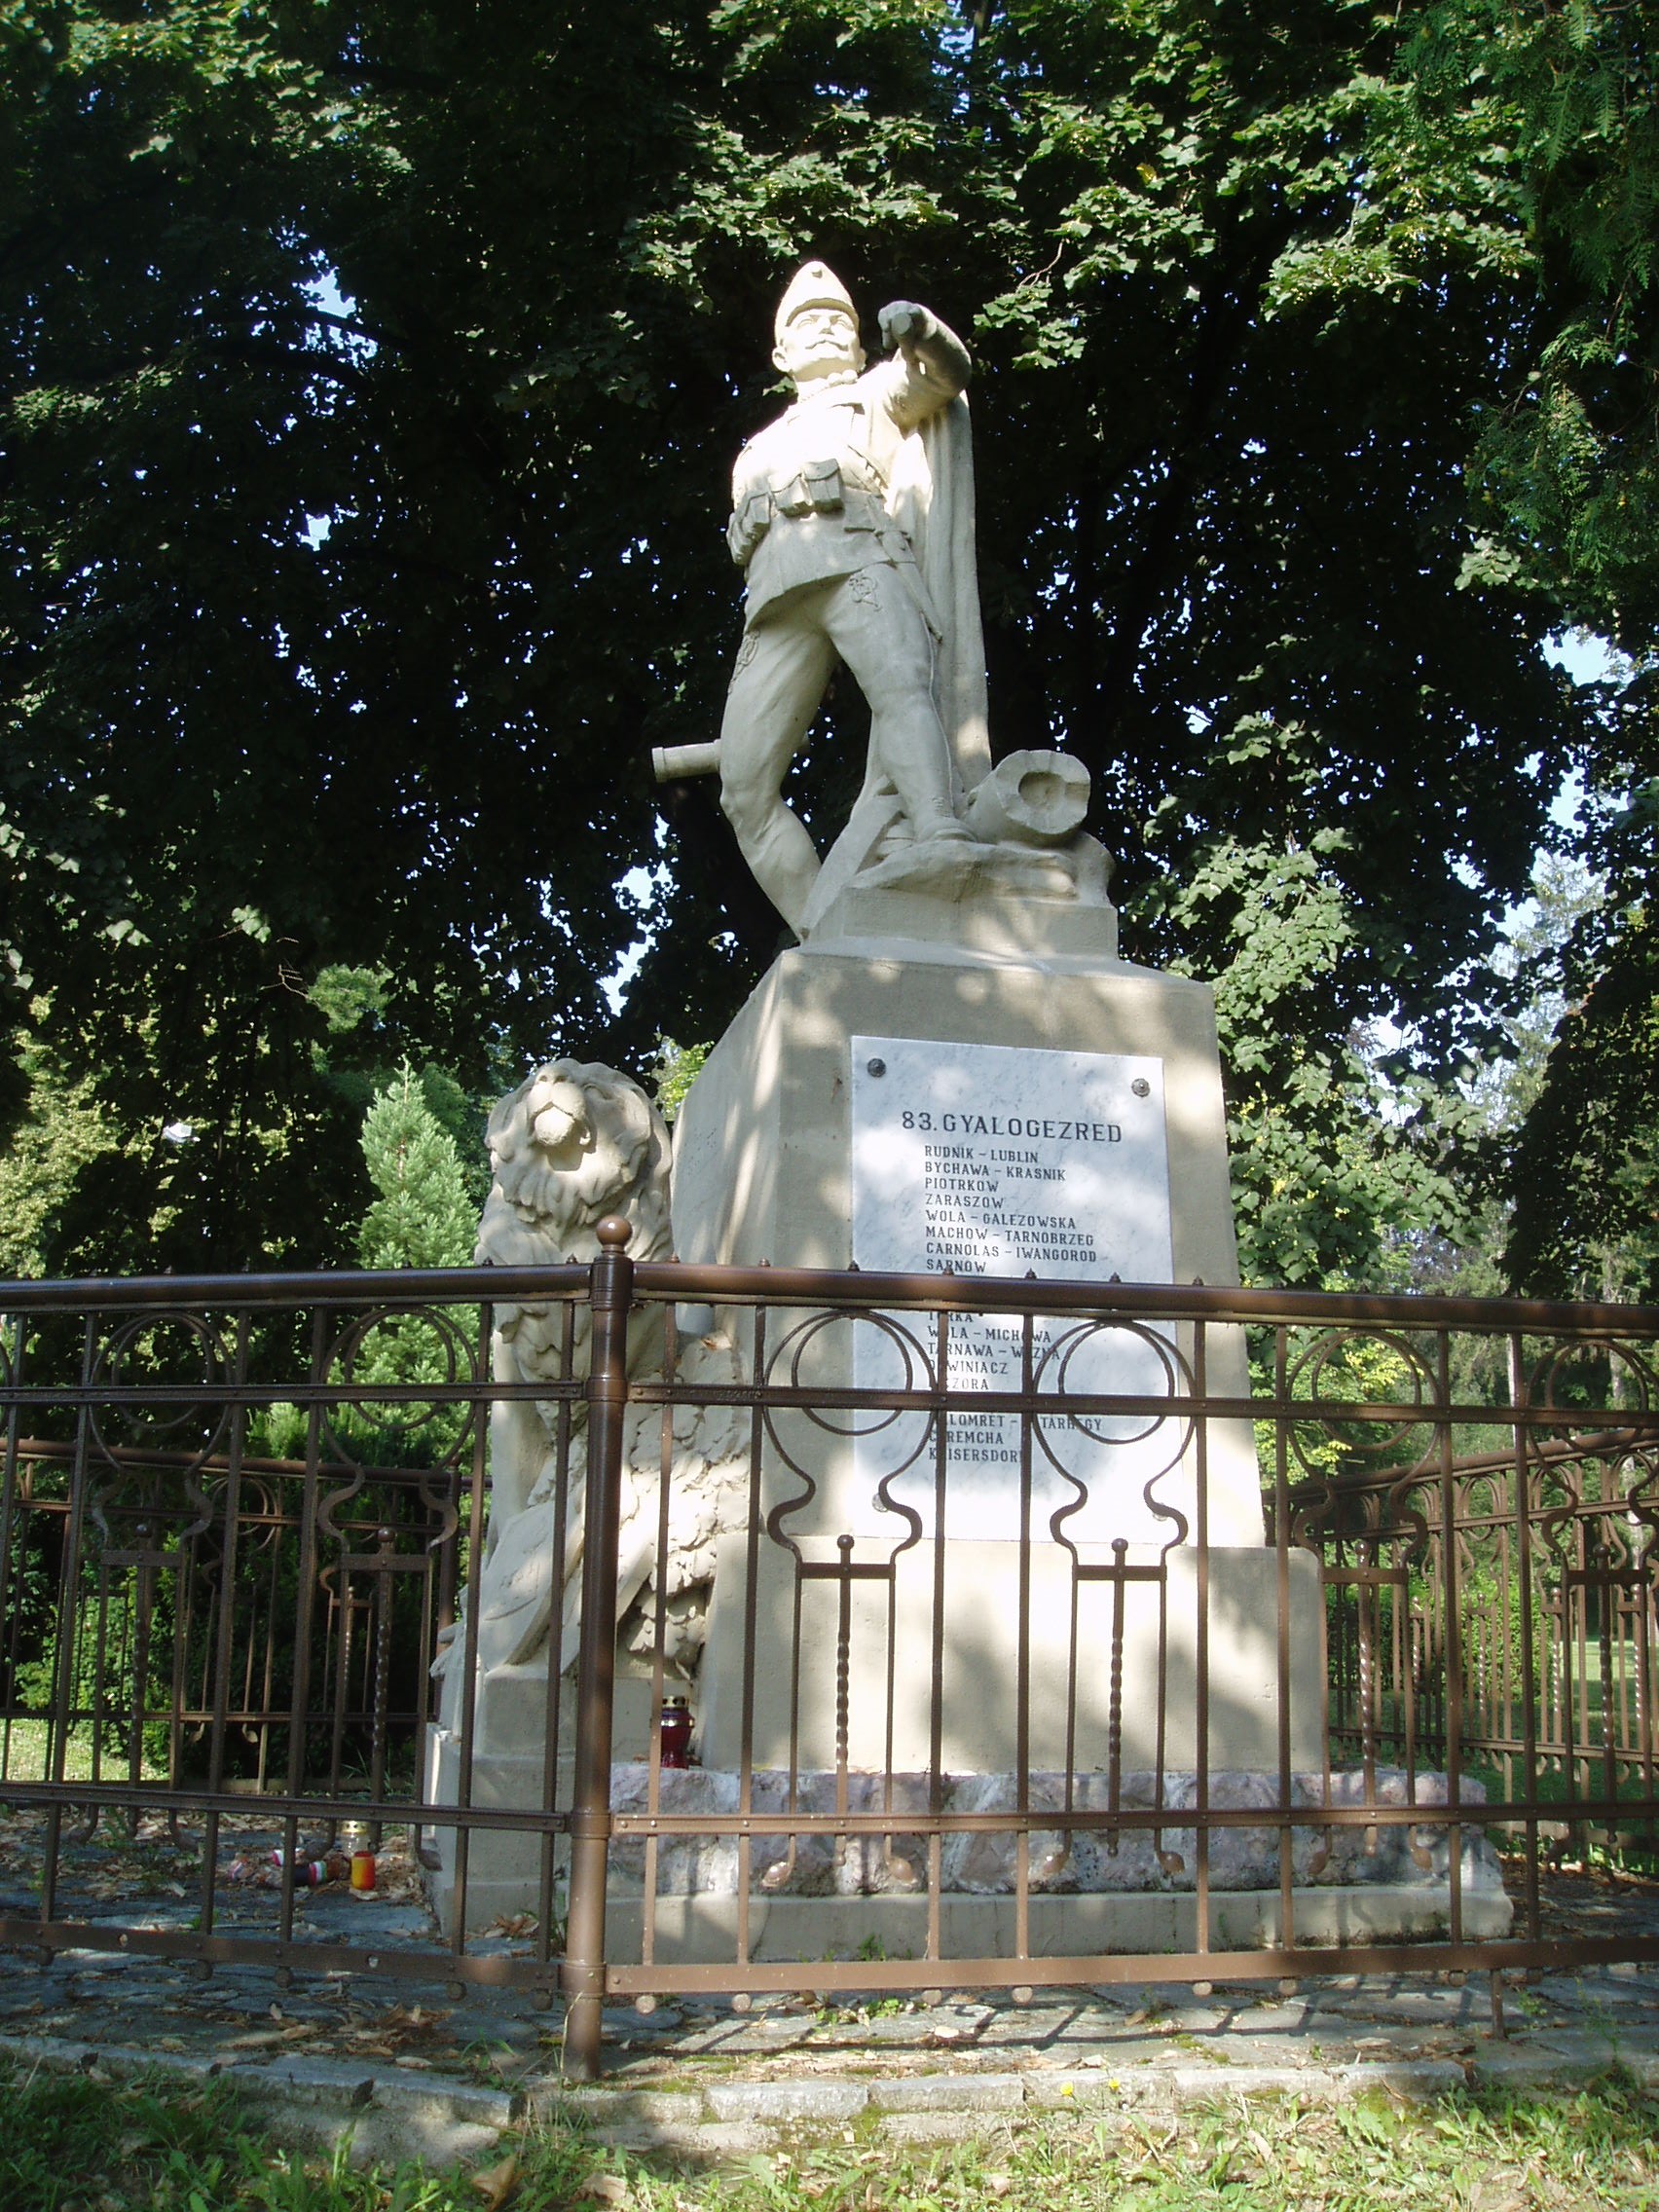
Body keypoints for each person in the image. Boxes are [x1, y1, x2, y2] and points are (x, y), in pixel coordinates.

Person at [718, 262, 991, 933]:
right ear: (781, 354)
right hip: (775, 603)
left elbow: (948, 375)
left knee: (903, 689)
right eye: (807, 322)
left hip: (859, 561)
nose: (824, 329)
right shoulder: (755, 449)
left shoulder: (875, 394)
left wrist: (922, 330)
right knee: (744, 791)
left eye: (838, 321)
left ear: (859, 344)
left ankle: (937, 830)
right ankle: (821, 930)